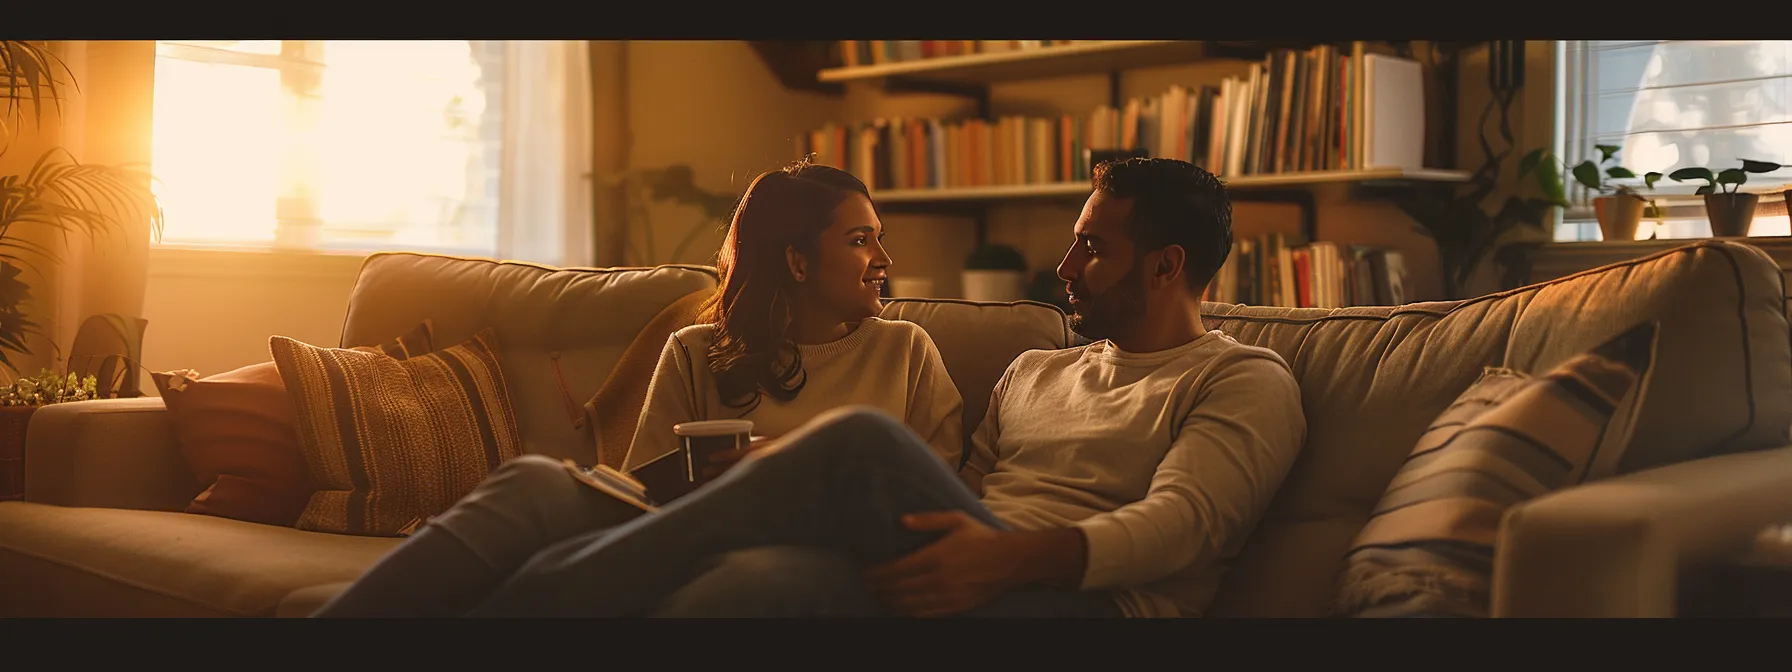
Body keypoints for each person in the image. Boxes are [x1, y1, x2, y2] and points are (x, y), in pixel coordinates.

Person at [461, 157, 1309, 618]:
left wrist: (1004, 557)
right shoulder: (1037, 369)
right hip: (953, 572)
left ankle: (521, 608)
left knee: (858, 441)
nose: (1064, 268)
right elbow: (965, 489)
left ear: (1167, 267)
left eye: (1094, 249)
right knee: (745, 587)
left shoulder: (1241, 377)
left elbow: (1187, 526)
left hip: (1082, 601)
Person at [313, 158, 966, 618]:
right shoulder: (697, 351)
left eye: (880, 239)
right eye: (860, 241)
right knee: (533, 481)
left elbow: (928, 504)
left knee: (753, 578)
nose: (883, 261)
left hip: (818, 554)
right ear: (795, 259)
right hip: (684, 532)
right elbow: (641, 489)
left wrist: (787, 475)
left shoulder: (906, 351)